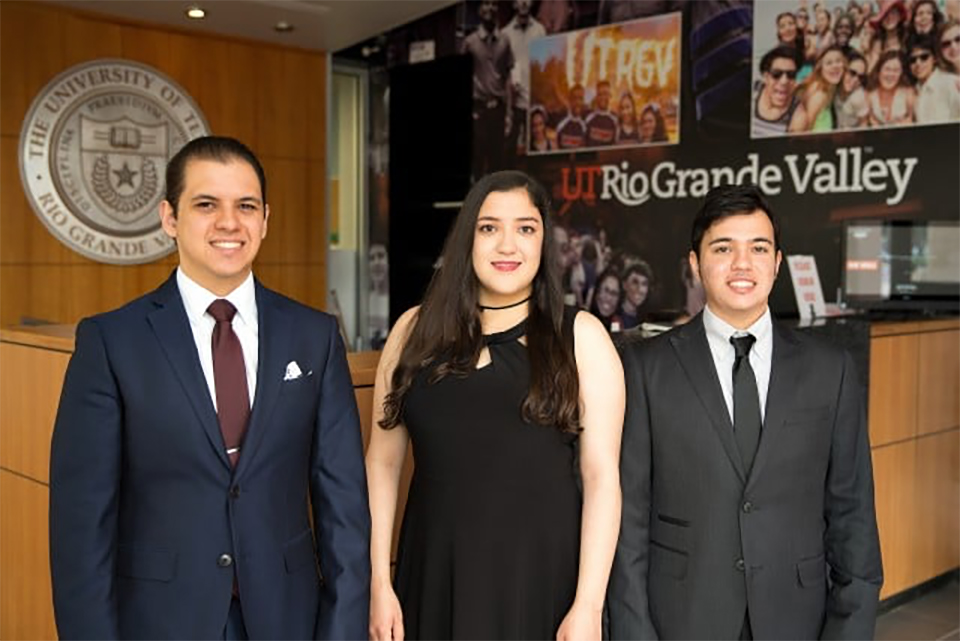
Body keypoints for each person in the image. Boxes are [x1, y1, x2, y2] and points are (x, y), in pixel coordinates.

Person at [49, 136, 371, 639]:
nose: (229, 222)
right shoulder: (111, 342)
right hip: (159, 621)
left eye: (245, 206)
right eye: (206, 205)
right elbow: (80, 526)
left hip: (287, 618)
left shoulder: (315, 336)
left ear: (265, 218)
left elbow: (344, 508)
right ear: (169, 218)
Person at [607, 184, 883, 640]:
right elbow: (628, 521)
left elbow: (853, 517)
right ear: (695, 264)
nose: (742, 264)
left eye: (758, 248)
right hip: (682, 617)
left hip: (796, 618)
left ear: (777, 263)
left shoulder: (828, 370)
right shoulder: (644, 368)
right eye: (723, 248)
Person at [366, 170, 624, 640]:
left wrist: (589, 604)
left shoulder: (581, 337)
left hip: (541, 585)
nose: (508, 245)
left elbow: (601, 477)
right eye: (489, 228)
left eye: (525, 228)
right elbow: (382, 464)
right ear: (467, 238)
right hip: (432, 578)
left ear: (545, 241)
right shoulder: (412, 331)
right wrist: (379, 582)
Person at [462, 0, 514, 176]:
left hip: (498, 110)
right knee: (477, 161)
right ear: (479, 10)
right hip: (478, 110)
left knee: (497, 162)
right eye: (486, 4)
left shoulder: (505, 41)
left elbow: (508, 78)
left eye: (493, 4)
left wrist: (508, 113)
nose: (490, 8)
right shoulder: (470, 42)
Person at [504, 0, 546, 156]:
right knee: (509, 147)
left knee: (534, 150)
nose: (523, 2)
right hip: (514, 102)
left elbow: (542, 65)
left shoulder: (540, 31)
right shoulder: (505, 34)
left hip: (534, 101)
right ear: (513, 3)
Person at [789, 45, 848, 132]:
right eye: (829, 63)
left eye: (838, 61)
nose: (835, 66)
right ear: (820, 68)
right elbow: (805, 131)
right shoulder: (820, 93)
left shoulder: (830, 88)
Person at [907, 34, 960, 123]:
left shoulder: (952, 83)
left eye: (924, 57)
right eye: (913, 60)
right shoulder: (913, 91)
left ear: (934, 58)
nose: (918, 63)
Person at [752, 46, 800, 137]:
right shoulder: (753, 90)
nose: (784, 81)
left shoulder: (798, 112)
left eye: (791, 75)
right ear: (766, 77)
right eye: (776, 74)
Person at [868, 49, 916, 125]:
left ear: (901, 73)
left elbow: (914, 122)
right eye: (887, 69)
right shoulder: (870, 95)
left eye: (896, 70)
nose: (891, 74)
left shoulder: (908, 93)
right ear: (879, 70)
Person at [835, 49, 871, 128]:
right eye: (852, 73)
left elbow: (863, 125)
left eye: (861, 77)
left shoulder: (858, 97)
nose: (855, 80)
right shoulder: (834, 87)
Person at [618, 260, 654, 330]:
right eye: (635, 282)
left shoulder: (646, 320)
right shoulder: (613, 316)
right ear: (624, 285)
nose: (640, 289)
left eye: (644, 284)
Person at [585, 80, 619, 147]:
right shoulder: (588, 117)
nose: (603, 97)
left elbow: (616, 144)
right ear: (596, 97)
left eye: (605, 94)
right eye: (600, 94)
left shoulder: (615, 119)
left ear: (610, 96)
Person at [589, 267, 624, 332]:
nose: (608, 298)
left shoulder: (616, 324)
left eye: (614, 293)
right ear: (597, 292)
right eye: (606, 290)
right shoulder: (581, 321)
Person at [556, 83, 588, 149]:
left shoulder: (585, 124)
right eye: (575, 98)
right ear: (570, 100)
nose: (578, 102)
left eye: (580, 98)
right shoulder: (560, 121)